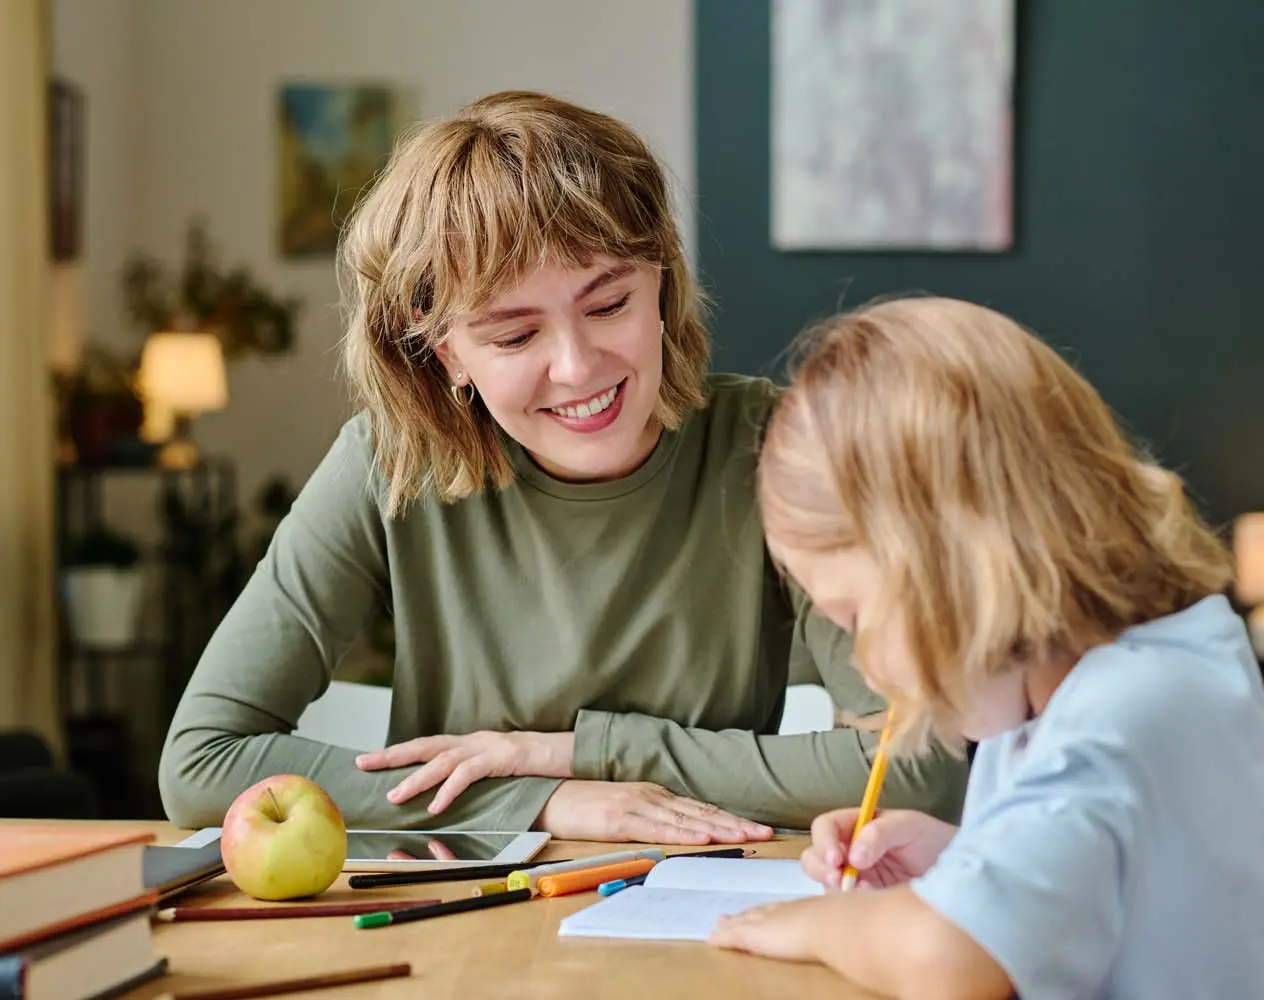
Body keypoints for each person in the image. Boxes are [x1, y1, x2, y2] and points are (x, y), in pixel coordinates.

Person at [156, 92, 968, 845]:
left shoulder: (778, 445)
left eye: (609, 304)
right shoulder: (386, 463)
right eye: (514, 337)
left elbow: (916, 771)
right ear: (446, 352)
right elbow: (201, 765)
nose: (578, 368)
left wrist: (576, 753)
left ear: (661, 286)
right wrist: (540, 801)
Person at [709, 297, 1264, 1000]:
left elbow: (950, 963)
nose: (863, 665)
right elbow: (1120, 885)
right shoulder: (1126, 672)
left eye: (854, 619)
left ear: (957, 558)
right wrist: (961, 864)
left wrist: (827, 925)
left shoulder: (1121, 711)